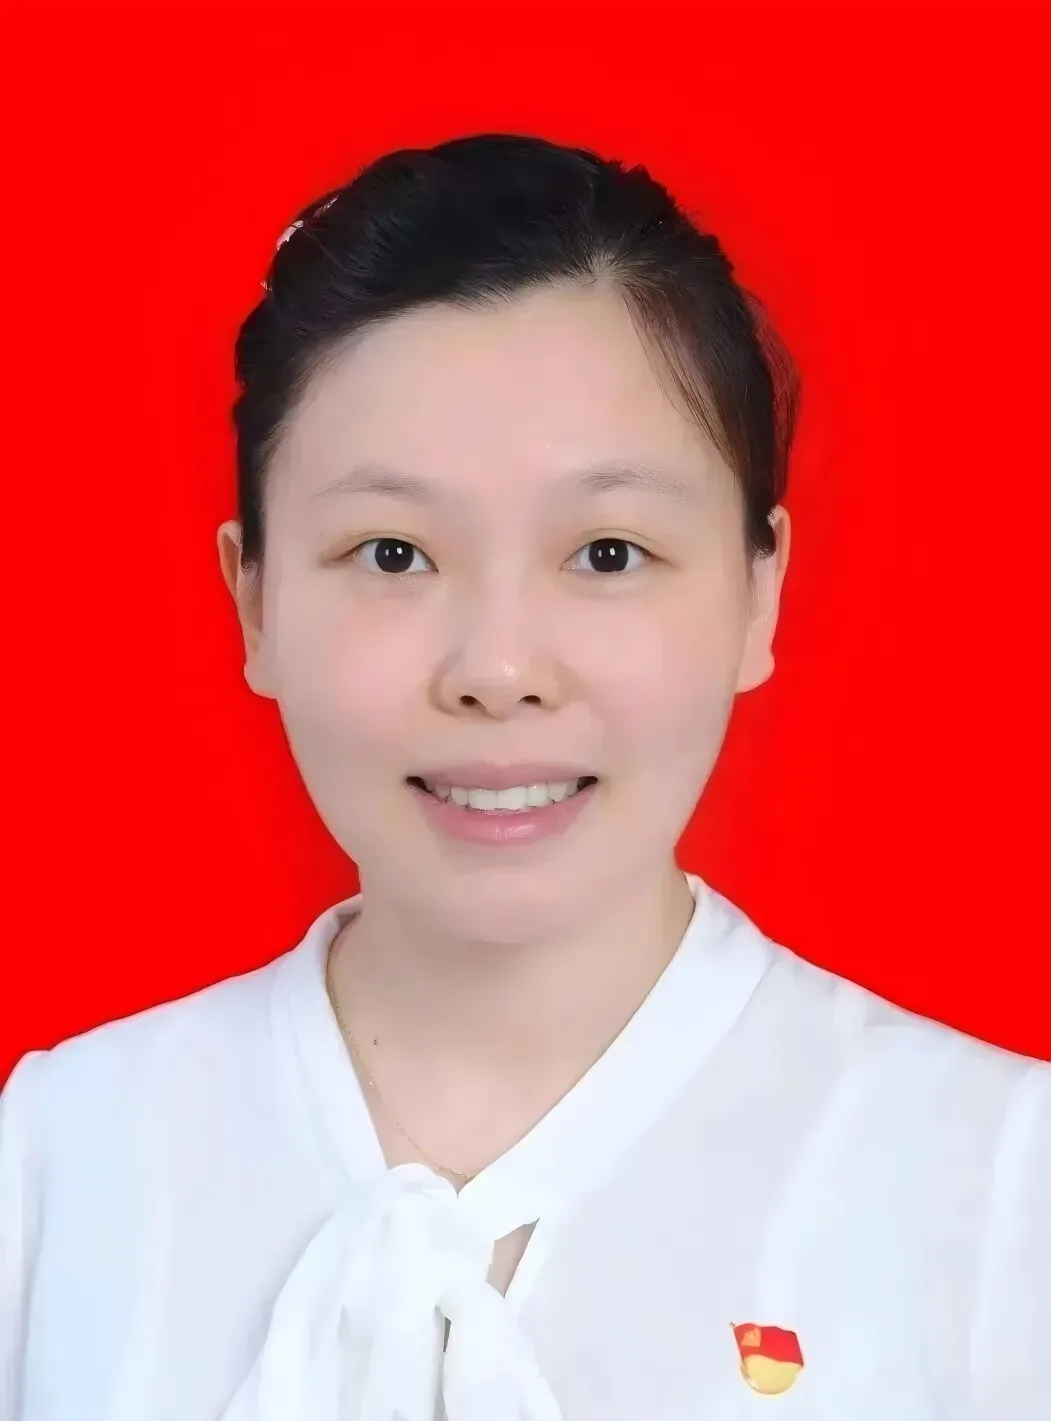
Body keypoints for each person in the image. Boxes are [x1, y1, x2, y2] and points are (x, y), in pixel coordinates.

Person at [0, 133, 1047, 1421]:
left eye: (607, 554)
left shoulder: (1001, 1188)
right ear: (253, 600)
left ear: (759, 591)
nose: (498, 670)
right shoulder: (56, 1159)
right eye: (392, 554)